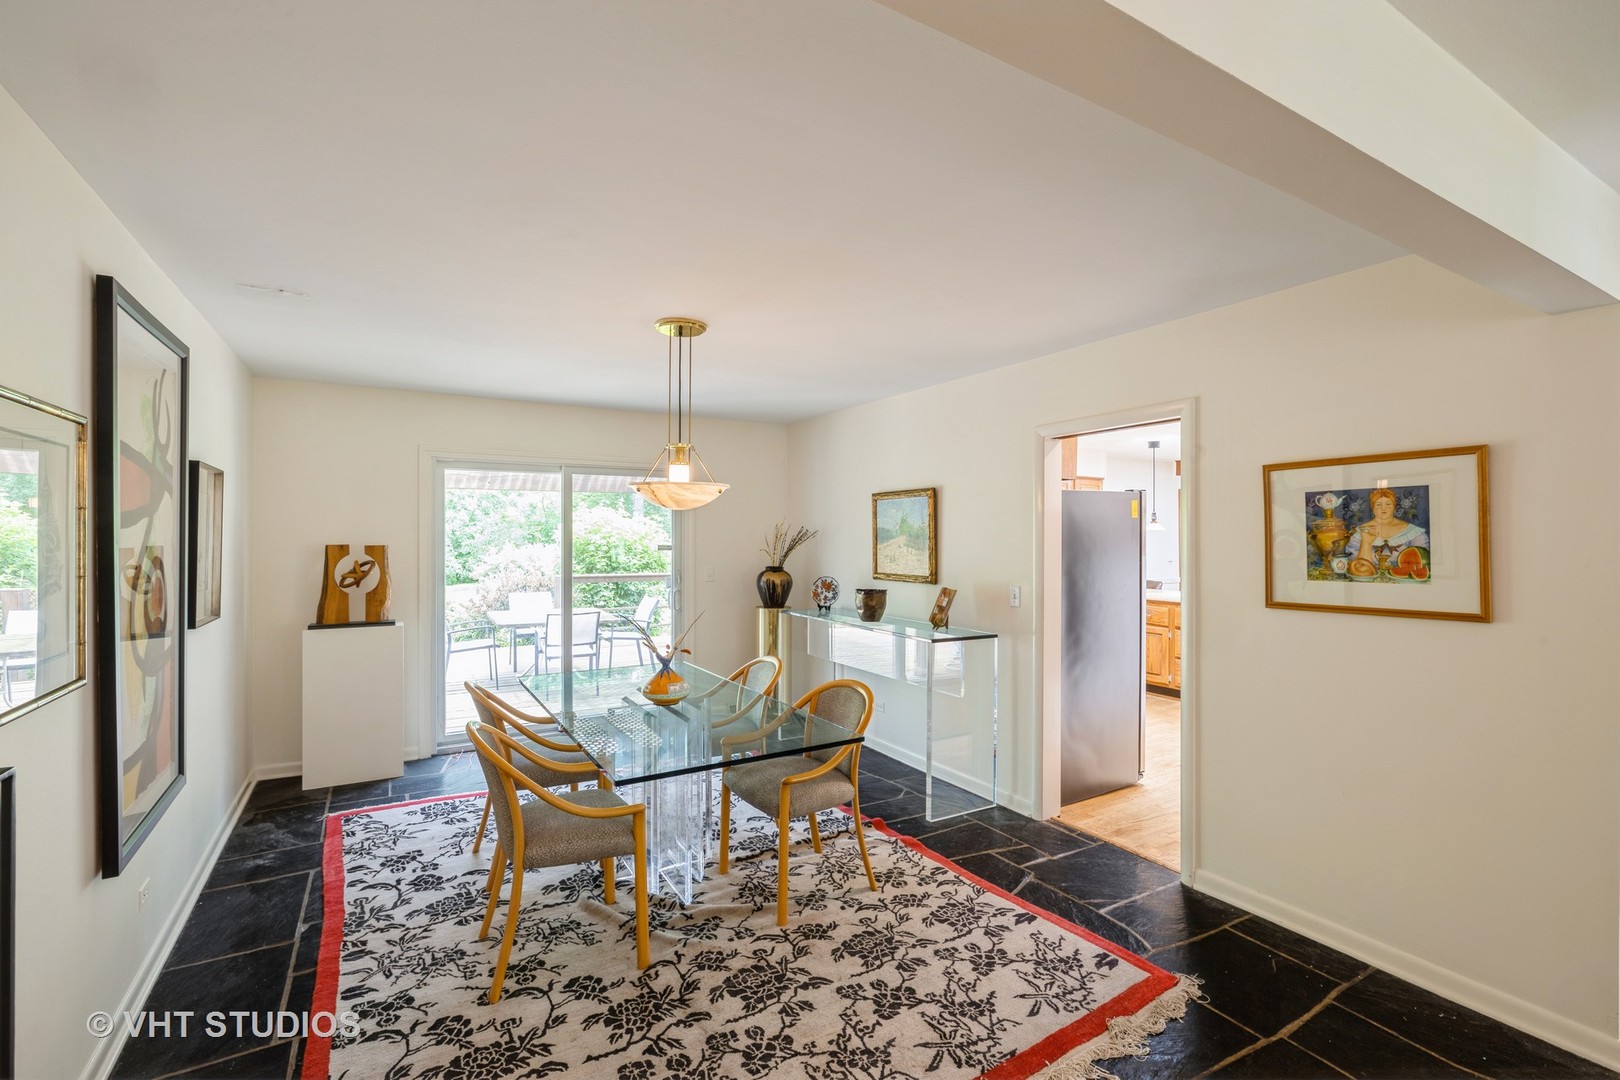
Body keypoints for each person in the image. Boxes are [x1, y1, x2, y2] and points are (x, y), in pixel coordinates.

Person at [1344, 487, 1428, 571]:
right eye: (1378, 504)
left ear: (1394, 506)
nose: (1383, 508)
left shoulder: (1413, 532)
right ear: (1372, 507)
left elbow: (1422, 562)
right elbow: (1356, 568)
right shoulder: (1358, 533)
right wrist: (1366, 543)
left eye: (1388, 504)